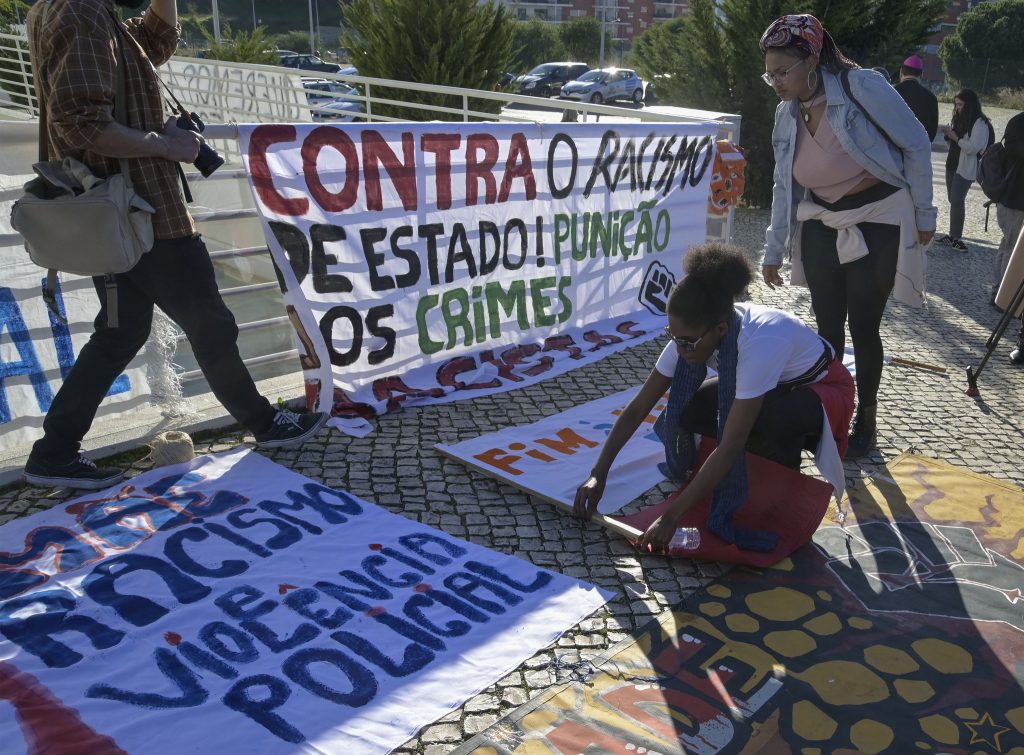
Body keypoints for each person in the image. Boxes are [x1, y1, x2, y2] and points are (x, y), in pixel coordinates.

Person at [23, 0, 327, 490]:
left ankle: (54, 451)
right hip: (142, 212)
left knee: (120, 332)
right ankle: (266, 424)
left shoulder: (86, 12)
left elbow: (152, 42)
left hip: (115, 214)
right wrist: (166, 145)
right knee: (210, 322)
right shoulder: (80, 12)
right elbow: (78, 122)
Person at [573, 243, 854, 554]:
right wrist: (597, 475)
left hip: (823, 389)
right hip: (772, 384)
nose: (680, 350)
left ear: (720, 329)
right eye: (672, 337)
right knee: (690, 411)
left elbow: (731, 442)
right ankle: (727, 471)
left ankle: (777, 482)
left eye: (688, 343)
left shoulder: (760, 343)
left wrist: (672, 516)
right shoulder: (691, 335)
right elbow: (639, 406)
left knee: (769, 418)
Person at [759, 14, 934, 458]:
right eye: (770, 74)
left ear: (811, 61)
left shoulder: (861, 86)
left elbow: (915, 141)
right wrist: (773, 248)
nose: (776, 81)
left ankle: (867, 419)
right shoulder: (786, 113)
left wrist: (925, 212)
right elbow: (784, 185)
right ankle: (828, 413)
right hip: (819, 219)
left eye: (783, 72)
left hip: (875, 218)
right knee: (827, 328)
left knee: (863, 324)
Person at [937, 89, 991, 252]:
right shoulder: (959, 119)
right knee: (953, 200)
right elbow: (954, 145)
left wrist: (955, 138)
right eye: (956, 104)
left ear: (969, 105)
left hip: (965, 167)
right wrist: (948, 137)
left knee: (957, 200)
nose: (957, 108)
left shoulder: (980, 123)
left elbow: (973, 148)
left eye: (960, 104)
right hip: (952, 164)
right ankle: (952, 235)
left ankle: (957, 238)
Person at [992, 113, 1024, 300]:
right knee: (1011, 247)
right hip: (1014, 198)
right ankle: (1003, 294)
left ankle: (1002, 291)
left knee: (1008, 245)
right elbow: (1013, 148)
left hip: (1016, 198)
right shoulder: (1018, 123)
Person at [894, 54, 939, 142]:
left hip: (893, 149)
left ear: (901, 72)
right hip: (918, 149)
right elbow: (932, 133)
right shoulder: (931, 97)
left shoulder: (892, 91)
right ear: (921, 75)